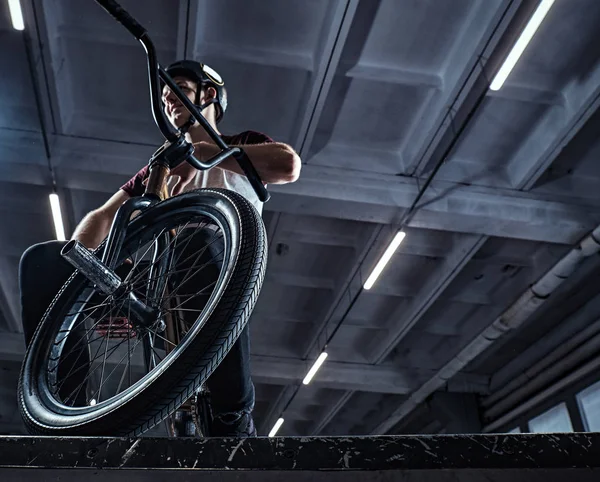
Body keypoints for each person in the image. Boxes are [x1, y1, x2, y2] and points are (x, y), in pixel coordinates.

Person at [19, 60, 301, 437]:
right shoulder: (160, 165)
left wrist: (200, 149)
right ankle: (61, 402)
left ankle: (231, 414)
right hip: (159, 273)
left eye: (179, 90)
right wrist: (87, 268)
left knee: (194, 240)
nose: (170, 102)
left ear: (209, 94)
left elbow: (287, 165)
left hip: (220, 265)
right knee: (42, 261)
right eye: (166, 98)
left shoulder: (241, 144)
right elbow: (103, 214)